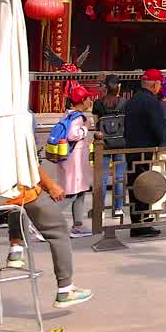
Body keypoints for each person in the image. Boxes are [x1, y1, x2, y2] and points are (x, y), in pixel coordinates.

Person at [1, 142, 93, 309]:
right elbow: (28, 164)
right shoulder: (11, 121)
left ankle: (15, 248)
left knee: (17, 205)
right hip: (18, 193)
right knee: (58, 230)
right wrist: (50, 186)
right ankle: (65, 289)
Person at [124, 69, 166, 238]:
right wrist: (165, 144)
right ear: (156, 84)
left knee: (135, 186)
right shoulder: (151, 102)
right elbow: (158, 127)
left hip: (131, 149)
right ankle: (143, 224)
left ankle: (137, 223)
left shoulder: (132, 100)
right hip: (146, 151)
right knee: (146, 185)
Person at [57, 84, 95, 238]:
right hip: (74, 160)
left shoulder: (68, 114)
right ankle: (41, 223)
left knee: (80, 192)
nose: (90, 102)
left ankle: (78, 225)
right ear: (82, 101)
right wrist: (86, 127)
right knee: (71, 194)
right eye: (87, 99)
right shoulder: (78, 117)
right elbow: (73, 135)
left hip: (73, 159)